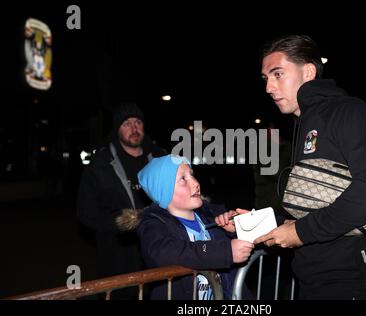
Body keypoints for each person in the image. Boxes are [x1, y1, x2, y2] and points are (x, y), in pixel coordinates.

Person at [247, 35, 366, 300]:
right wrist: (255, 224)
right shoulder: (303, 124)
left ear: (308, 71)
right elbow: (318, 203)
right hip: (314, 281)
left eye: (278, 74)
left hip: (354, 284)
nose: (269, 88)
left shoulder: (348, 111)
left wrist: (301, 232)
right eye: (266, 79)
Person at [116, 154, 254, 300]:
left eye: (192, 175)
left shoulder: (211, 215)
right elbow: (165, 253)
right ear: (164, 191)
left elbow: (261, 235)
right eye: (183, 179)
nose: (195, 183)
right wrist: (226, 251)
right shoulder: (153, 225)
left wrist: (237, 229)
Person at [76, 102, 166, 298]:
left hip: (159, 247)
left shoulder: (161, 158)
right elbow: (85, 211)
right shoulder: (100, 164)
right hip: (117, 253)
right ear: (117, 129)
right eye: (126, 123)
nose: (134, 128)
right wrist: (119, 223)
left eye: (138, 122)